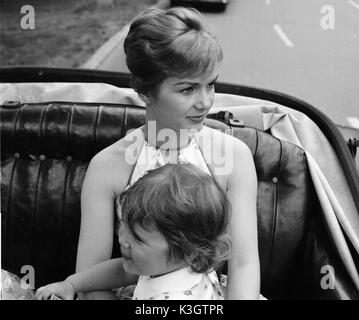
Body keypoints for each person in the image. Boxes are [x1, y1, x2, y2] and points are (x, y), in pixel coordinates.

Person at [76, 6, 260, 300]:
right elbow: (91, 281)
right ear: (145, 91)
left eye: (210, 85)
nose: (205, 102)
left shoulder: (233, 156)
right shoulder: (107, 166)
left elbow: (243, 263)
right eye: (187, 90)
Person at [35, 164, 231, 300]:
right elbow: (123, 270)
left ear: (189, 251)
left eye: (138, 239)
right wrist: (71, 285)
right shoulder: (165, 263)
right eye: (124, 225)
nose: (122, 240)